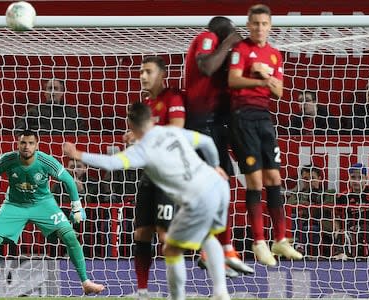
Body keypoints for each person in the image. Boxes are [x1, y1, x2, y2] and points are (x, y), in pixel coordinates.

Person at [63, 102, 232, 300]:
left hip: (198, 199)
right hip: (219, 187)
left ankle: (183, 297)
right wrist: (216, 165)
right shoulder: (171, 131)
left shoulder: (141, 151)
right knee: (208, 237)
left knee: (171, 248)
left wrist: (77, 154)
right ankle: (221, 292)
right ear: (152, 119)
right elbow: (207, 142)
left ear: (131, 126)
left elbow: (111, 163)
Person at [0, 130, 104, 298]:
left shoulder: (45, 161)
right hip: (14, 205)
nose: (26, 146)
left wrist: (76, 206)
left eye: (30, 143)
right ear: (17, 144)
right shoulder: (7, 160)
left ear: (36, 145)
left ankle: (86, 283)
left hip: (43, 204)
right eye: (23, 143)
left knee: (70, 236)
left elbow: (68, 180)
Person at [227, 4, 302, 266]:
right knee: (255, 181)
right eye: (255, 23)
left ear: (270, 26)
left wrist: (266, 75)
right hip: (242, 117)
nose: (259, 28)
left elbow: (280, 92)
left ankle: (280, 239)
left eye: (264, 24)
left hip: (263, 118)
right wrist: (261, 78)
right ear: (248, 25)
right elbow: (234, 80)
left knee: (275, 177)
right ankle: (259, 242)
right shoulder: (240, 50)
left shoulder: (274, 54)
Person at [184, 16, 254, 276]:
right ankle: (208, 249)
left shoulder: (219, 48)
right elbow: (205, 66)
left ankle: (219, 248)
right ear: (225, 33)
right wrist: (230, 43)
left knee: (221, 187)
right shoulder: (208, 38)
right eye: (233, 35)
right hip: (202, 126)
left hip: (213, 126)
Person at [123, 56, 187, 298]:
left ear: (161, 75)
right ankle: (142, 291)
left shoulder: (174, 98)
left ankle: (175, 292)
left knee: (165, 237)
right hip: (149, 176)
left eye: (147, 71)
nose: (142, 76)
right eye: (141, 71)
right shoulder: (146, 104)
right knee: (141, 234)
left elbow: (177, 131)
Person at [333, 163, 369, 259]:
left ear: (366, 178)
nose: (356, 180)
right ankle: (344, 257)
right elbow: (336, 217)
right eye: (353, 177)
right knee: (346, 233)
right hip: (354, 228)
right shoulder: (342, 197)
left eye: (359, 177)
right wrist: (337, 230)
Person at [286, 165, 336, 257]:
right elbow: (289, 205)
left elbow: (328, 205)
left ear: (320, 179)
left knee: (310, 229)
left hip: (320, 225)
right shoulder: (297, 194)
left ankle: (312, 254)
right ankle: (298, 247)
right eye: (306, 178)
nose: (309, 181)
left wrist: (308, 206)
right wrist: (304, 204)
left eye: (312, 178)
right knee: (293, 218)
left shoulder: (329, 192)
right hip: (301, 225)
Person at [14, 79, 88, 136]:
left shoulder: (73, 114)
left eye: (55, 88)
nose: (52, 92)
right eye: (50, 88)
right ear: (45, 93)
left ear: (62, 92)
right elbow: (19, 132)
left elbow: (82, 135)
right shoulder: (33, 112)